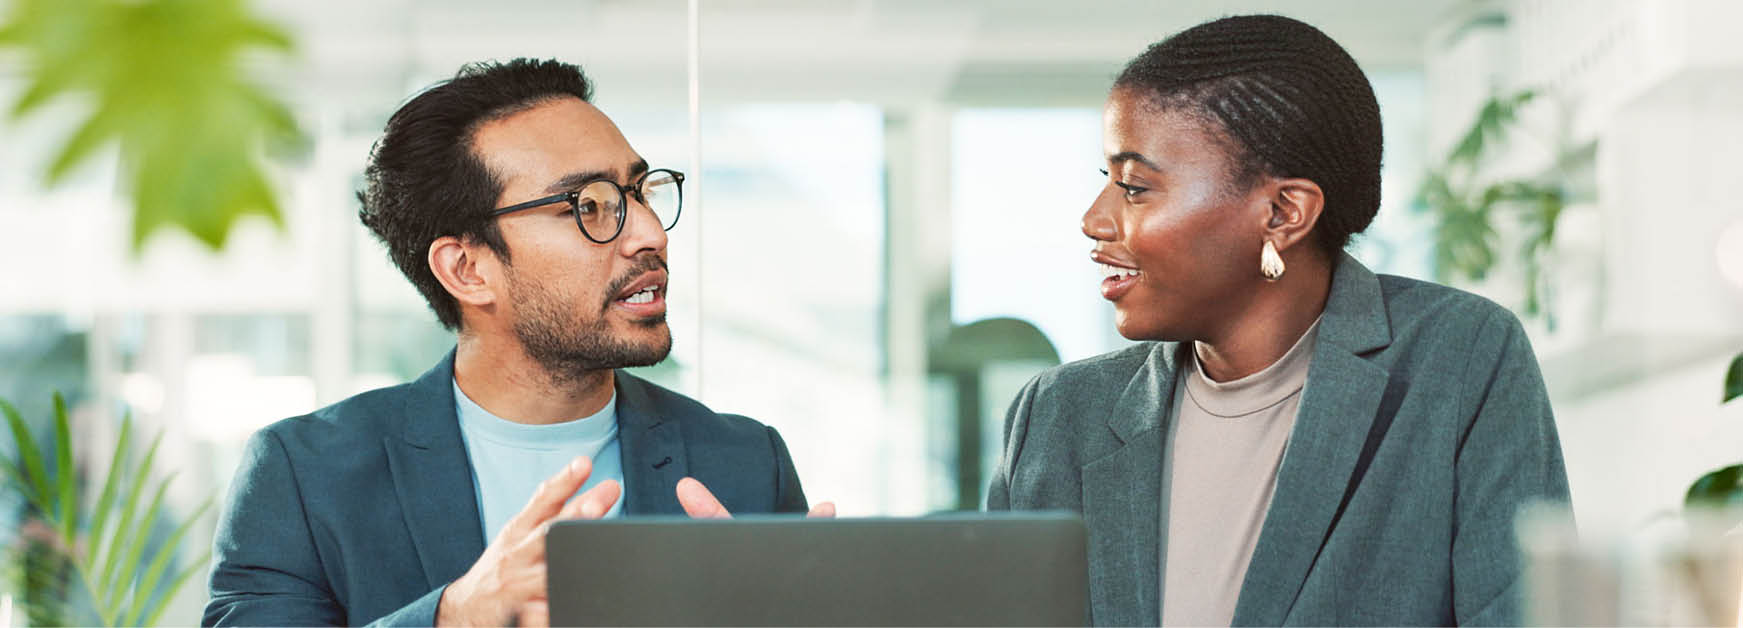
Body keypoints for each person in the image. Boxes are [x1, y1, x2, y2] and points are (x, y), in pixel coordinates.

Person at [985, 15, 1571, 626]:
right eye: (1107, 181)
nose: (1094, 220)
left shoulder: (1460, 358)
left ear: (1283, 212)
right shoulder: (1055, 416)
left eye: (1134, 187)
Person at [204, 58, 829, 627]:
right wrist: (454, 618)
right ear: (468, 271)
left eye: (640, 191)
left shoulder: (745, 463)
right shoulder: (305, 475)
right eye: (590, 205)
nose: (648, 233)